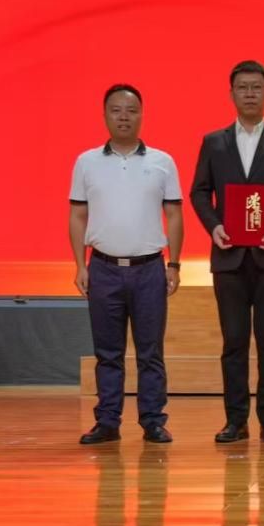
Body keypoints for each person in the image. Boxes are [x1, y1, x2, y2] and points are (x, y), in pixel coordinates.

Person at [190, 60, 264, 444]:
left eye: (256, 87)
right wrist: (214, 226)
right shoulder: (214, 142)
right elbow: (199, 192)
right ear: (231, 94)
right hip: (228, 257)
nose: (249, 94)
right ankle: (235, 420)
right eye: (242, 87)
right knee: (234, 343)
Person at [69, 83, 183, 444]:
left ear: (142, 115)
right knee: (108, 353)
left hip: (149, 268)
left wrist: (174, 264)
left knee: (151, 352)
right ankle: (107, 421)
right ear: (105, 115)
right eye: (116, 110)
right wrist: (80, 265)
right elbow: (77, 215)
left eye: (131, 111)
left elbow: (174, 215)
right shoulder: (86, 162)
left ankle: (153, 420)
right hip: (102, 268)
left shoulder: (162, 162)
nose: (123, 117)